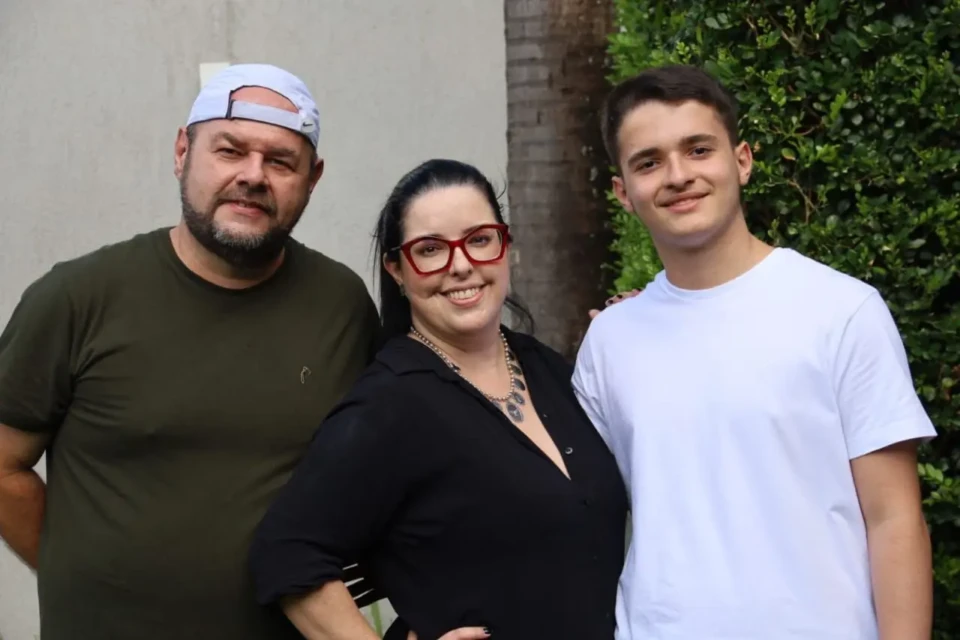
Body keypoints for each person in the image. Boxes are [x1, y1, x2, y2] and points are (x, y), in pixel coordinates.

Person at [0, 63, 379, 639]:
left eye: (281, 161)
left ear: (313, 178)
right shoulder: (78, 297)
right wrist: (77, 574)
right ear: (182, 152)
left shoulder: (341, 306)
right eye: (230, 150)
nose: (253, 175)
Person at [573, 64, 937, 639]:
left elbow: (894, 519)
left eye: (698, 149)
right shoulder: (610, 341)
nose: (678, 176)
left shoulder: (841, 310)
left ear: (742, 160)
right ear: (623, 193)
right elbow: (571, 515)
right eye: (649, 162)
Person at [249, 158, 628, 640]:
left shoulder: (545, 367)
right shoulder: (391, 403)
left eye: (479, 239)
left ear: (505, 245)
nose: (461, 265)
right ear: (397, 270)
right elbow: (285, 554)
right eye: (430, 250)